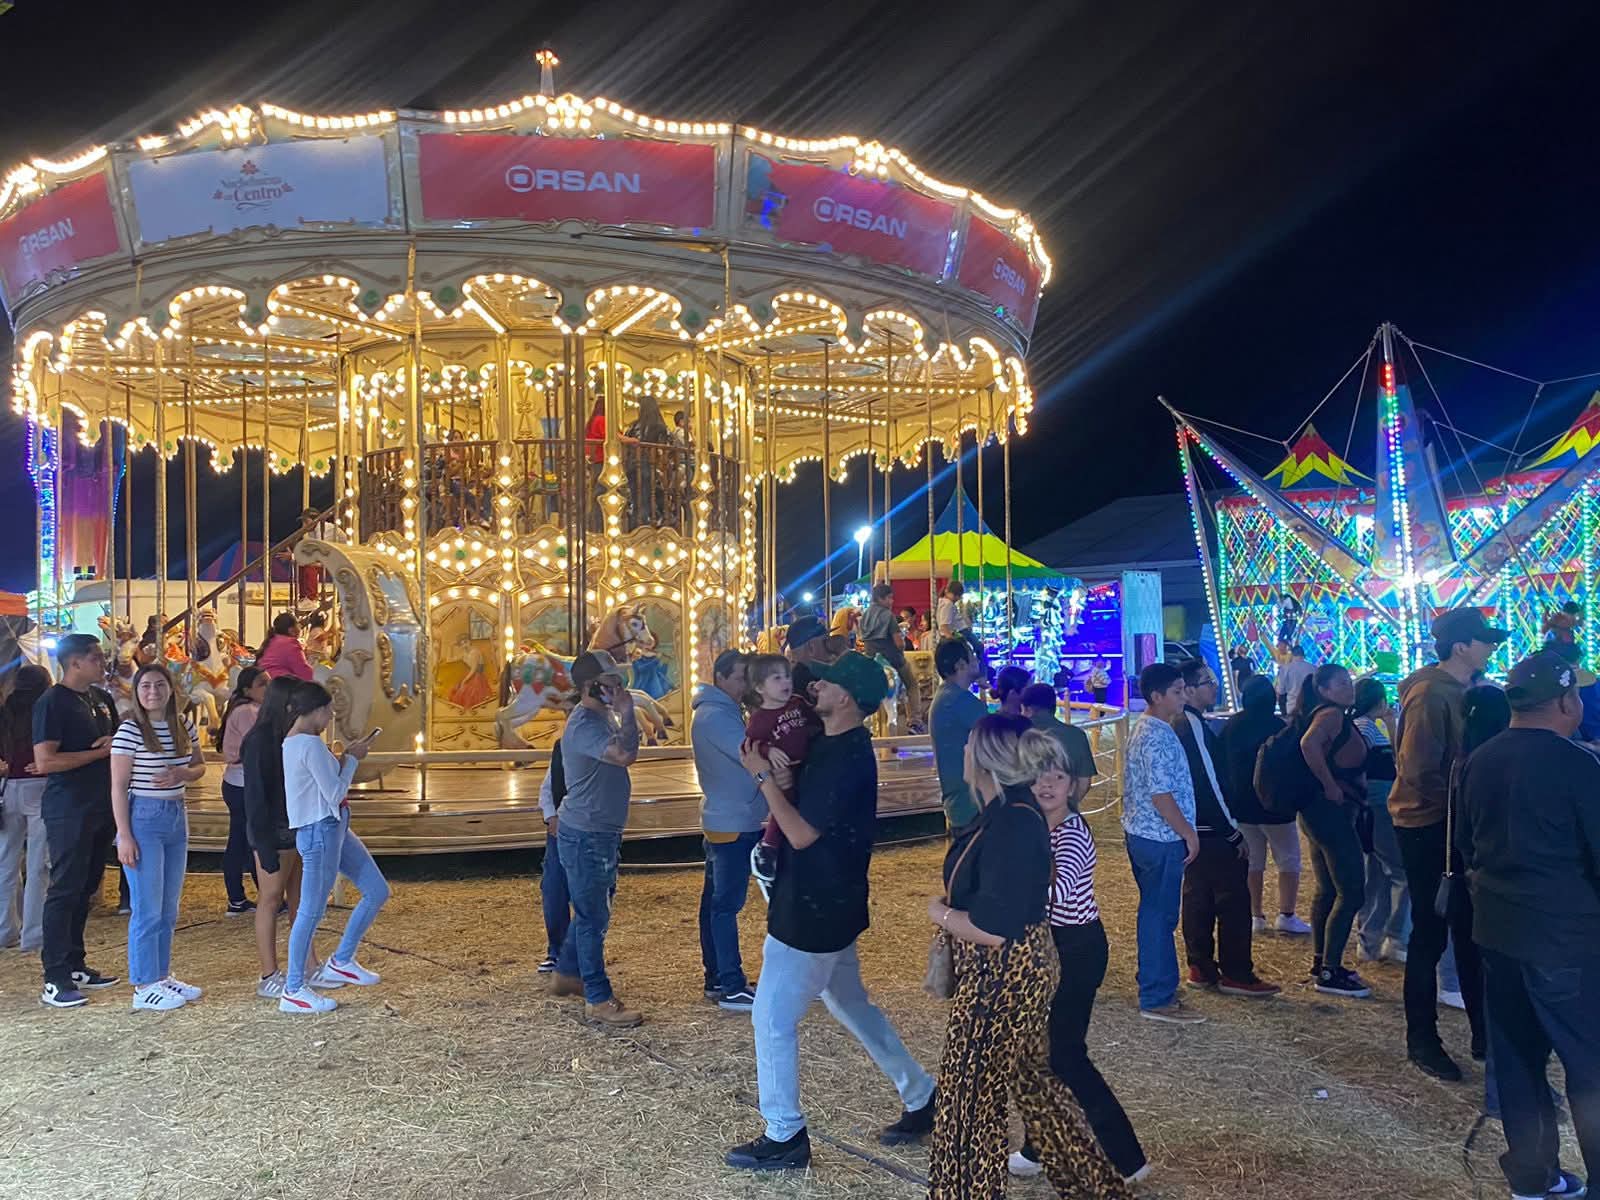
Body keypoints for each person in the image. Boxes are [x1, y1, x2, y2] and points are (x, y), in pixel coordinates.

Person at [726, 652, 936, 1171]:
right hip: (832, 899)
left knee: (770, 1018)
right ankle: (921, 1093)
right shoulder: (833, 742)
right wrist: (776, 770)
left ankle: (784, 1133)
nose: (815, 685)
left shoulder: (843, 757)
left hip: (814, 906)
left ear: (845, 697)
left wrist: (761, 777)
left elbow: (801, 834)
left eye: (828, 681)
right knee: (849, 1003)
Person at [925, 717, 1132, 1198]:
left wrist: (941, 914)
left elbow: (994, 929)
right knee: (1037, 1087)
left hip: (1003, 977)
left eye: (968, 745)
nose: (962, 753)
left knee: (969, 1097)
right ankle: (1098, 1187)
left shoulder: (1013, 821)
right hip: (1016, 972)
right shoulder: (1008, 812)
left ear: (984, 759)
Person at [1459, 651, 1599, 1200]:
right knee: (1589, 1067)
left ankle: (1532, 1178)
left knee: (1518, 1061)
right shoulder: (1578, 765)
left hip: (1498, 934)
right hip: (1566, 941)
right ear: (1565, 701)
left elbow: (1467, 847)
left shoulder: (1479, 759)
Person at [1008, 732, 1150, 1185]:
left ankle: (1126, 1158)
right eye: (1038, 776)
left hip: (1076, 949)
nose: (1047, 784)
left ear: (1073, 784)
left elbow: (1057, 892)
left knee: (1066, 1054)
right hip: (1047, 950)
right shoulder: (1033, 826)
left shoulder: (1072, 832)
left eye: (1057, 776)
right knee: (1039, 1051)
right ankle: (1039, 1145)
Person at [1391, 607, 1501, 1080]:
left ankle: (1485, 1037)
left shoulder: (1457, 690)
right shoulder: (1432, 693)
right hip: (1429, 825)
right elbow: (1417, 769)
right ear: (1461, 647)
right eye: (1484, 640)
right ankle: (1423, 1040)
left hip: (1448, 822)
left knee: (1470, 932)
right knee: (1432, 932)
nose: (1490, 647)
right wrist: (1460, 806)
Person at [1172, 660, 1281, 998]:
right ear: (1189, 690)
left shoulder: (1183, 723)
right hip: (1210, 827)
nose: (1214, 686)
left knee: (1199, 895)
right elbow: (1209, 783)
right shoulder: (1192, 725)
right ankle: (1236, 971)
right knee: (1232, 899)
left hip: (1194, 827)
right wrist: (1231, 831)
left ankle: (1201, 965)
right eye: (1207, 682)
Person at [546, 650, 643, 1028]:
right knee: (592, 917)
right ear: (591, 686)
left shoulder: (599, 718)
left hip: (596, 830)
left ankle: (568, 972)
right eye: (611, 682)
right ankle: (598, 999)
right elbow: (624, 754)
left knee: (592, 911)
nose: (619, 688)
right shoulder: (585, 723)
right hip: (587, 832)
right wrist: (629, 713)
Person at [279, 682, 387, 1014]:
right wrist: (351, 760)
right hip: (320, 829)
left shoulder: (296, 742)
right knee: (311, 911)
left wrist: (344, 758)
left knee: (376, 890)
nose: (330, 718)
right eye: (327, 711)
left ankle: (342, 959)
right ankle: (293, 988)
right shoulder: (308, 744)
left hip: (332, 825)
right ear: (313, 711)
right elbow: (335, 791)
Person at [110, 664, 207, 1011]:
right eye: (146, 686)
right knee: (147, 907)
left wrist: (184, 773)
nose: (153, 692)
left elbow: (200, 766)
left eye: (160, 685)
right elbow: (118, 786)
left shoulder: (183, 725)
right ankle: (143, 984)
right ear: (137, 692)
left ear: (171, 689)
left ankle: (161, 974)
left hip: (176, 814)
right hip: (144, 816)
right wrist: (124, 834)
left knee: (168, 907)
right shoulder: (130, 730)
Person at [33, 634, 121, 1008]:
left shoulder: (101, 699)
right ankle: (54, 976)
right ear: (75, 663)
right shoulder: (52, 702)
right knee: (65, 888)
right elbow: (45, 761)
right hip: (69, 808)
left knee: (86, 887)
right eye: (96, 657)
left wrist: (113, 744)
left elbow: (115, 742)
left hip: (101, 804)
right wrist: (96, 755)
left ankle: (75, 962)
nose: (103, 663)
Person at [1121, 662, 1203, 1024]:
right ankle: (1156, 995)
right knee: (1159, 915)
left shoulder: (1146, 729)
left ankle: (1155, 981)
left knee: (1155, 911)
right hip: (1160, 837)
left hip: (1144, 832)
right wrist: (1188, 832)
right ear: (1157, 696)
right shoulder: (1157, 735)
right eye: (1177, 691)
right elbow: (1161, 794)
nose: (1184, 696)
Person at [691, 650, 762, 1012]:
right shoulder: (717, 717)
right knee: (724, 906)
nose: (745, 685)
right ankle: (731, 983)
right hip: (733, 819)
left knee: (716, 904)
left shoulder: (718, 713)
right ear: (720, 677)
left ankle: (719, 978)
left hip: (727, 817)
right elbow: (749, 753)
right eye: (739, 678)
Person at [1296, 665, 1372, 998]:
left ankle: (1322, 961)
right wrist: (1330, 785)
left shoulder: (1327, 714)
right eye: (1341, 684)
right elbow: (1309, 745)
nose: (1349, 688)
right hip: (1331, 813)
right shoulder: (1330, 716)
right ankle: (1330, 969)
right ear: (1324, 690)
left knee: (1328, 888)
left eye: (1349, 682)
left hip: (1319, 813)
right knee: (1352, 891)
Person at [1220, 675, 1310, 937]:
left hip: (1242, 806)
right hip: (1276, 807)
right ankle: (1287, 914)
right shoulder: (1280, 727)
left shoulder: (1232, 725)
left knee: (1252, 861)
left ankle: (1255, 915)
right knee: (1288, 859)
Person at [242, 676, 302, 998]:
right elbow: (255, 798)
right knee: (270, 897)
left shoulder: (290, 735)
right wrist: (263, 845)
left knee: (299, 898)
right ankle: (269, 973)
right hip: (271, 828)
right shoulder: (259, 740)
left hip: (293, 823)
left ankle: (306, 962)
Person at [745, 654, 819, 900]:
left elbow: (815, 718)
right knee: (784, 807)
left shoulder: (797, 703)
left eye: (787, 676)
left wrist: (816, 700)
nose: (785, 682)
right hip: (783, 770)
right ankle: (767, 848)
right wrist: (768, 750)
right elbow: (750, 744)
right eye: (776, 678)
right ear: (760, 688)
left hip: (805, 766)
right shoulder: (760, 719)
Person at [1351, 676, 1408, 967]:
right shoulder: (1366, 728)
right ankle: (1393, 937)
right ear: (1379, 700)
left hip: (1370, 804)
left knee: (1376, 870)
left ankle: (1371, 938)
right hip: (1378, 804)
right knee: (1399, 872)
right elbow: (1393, 762)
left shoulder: (1363, 726)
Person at [0, 665, 53, 952]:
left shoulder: (5, 711)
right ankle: (34, 933)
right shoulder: (45, 710)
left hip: (7, 786)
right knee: (37, 864)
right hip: (40, 785)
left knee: (6, 861)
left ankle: (5, 929)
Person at [217, 667, 266, 917]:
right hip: (243, 783)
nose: (267, 688)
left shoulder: (250, 709)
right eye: (262, 684)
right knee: (244, 840)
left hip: (242, 782)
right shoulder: (247, 711)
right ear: (248, 689)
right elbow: (257, 747)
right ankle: (240, 897)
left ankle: (243, 896)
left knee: (245, 840)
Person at [929, 637, 988, 834]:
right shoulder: (959, 700)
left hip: (961, 801)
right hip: (972, 802)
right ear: (961, 665)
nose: (977, 659)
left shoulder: (947, 696)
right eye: (972, 656)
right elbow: (997, 736)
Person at [860, 582, 925, 732]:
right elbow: (899, 643)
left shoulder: (865, 615)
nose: (892, 601)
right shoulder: (888, 616)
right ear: (880, 599)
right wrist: (902, 643)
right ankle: (915, 721)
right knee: (912, 684)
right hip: (892, 659)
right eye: (889, 598)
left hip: (871, 661)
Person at [1020, 682, 1095, 805]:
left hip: (1024, 808)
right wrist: (1067, 806)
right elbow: (1084, 782)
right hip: (1062, 807)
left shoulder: (1016, 734)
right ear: (1054, 707)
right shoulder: (1076, 735)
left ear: (1027, 708)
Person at [536, 738, 569, 975]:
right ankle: (557, 950)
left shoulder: (602, 742)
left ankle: (580, 954)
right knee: (553, 888)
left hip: (588, 824)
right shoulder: (562, 746)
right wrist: (551, 816)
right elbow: (548, 785)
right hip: (560, 826)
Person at [255, 613, 314, 682]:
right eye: (298, 625)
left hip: (267, 681)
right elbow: (304, 672)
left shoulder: (272, 640)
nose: (300, 628)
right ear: (291, 630)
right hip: (280, 684)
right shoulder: (290, 643)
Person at [1275, 643, 1313, 717]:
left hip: (1291, 706)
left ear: (1292, 655)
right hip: (1310, 707)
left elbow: (1281, 691)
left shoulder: (1285, 668)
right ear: (1304, 655)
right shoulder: (1313, 668)